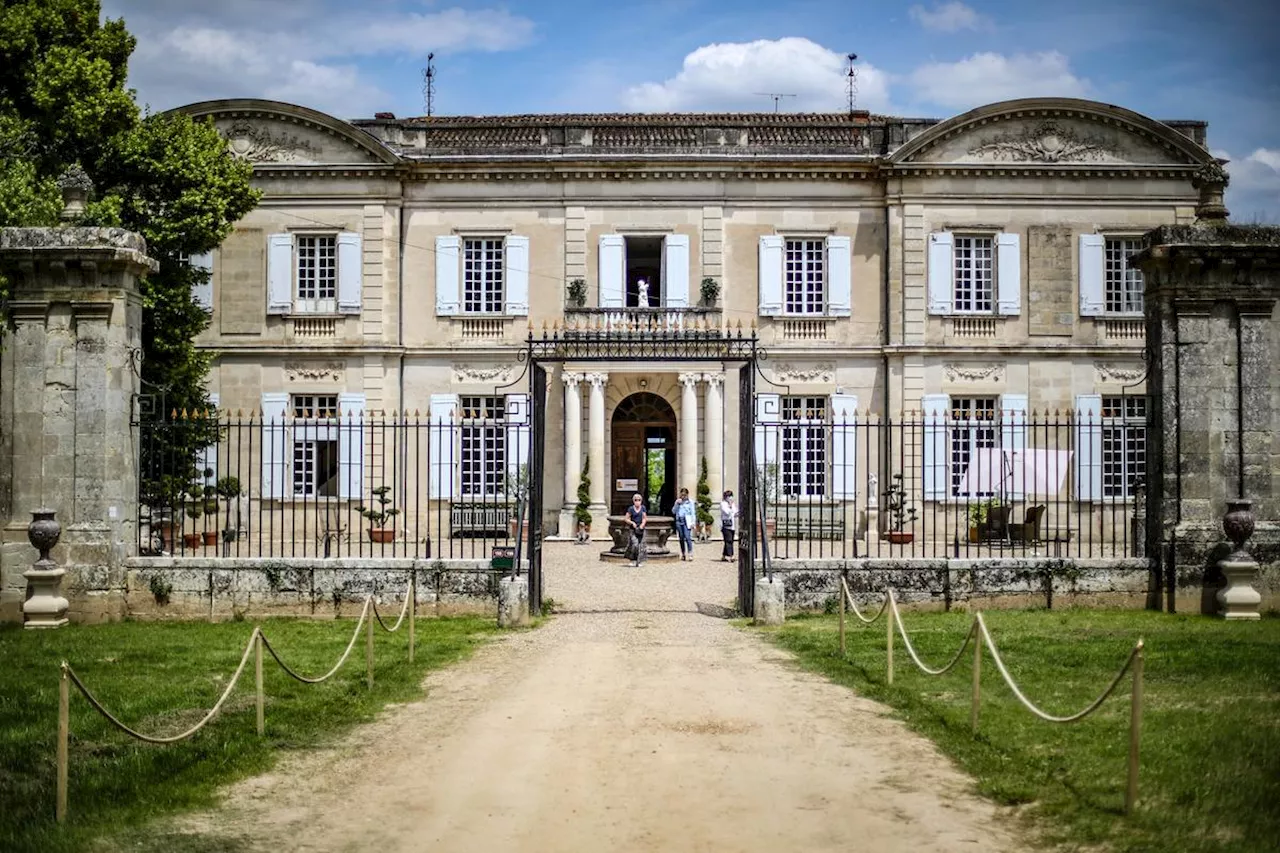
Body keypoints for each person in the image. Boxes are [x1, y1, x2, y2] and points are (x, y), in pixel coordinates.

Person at [672, 487, 696, 561]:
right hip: (679, 520)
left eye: (685, 495)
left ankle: (690, 553)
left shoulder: (690, 502)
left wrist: (693, 522)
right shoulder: (678, 502)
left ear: (687, 495)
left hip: (687, 521)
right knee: (681, 538)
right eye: (682, 495)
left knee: (687, 537)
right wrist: (677, 504)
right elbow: (673, 511)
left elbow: (693, 513)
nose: (683, 497)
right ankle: (683, 553)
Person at [625, 493, 647, 567]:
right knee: (634, 544)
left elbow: (644, 518)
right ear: (633, 501)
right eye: (636, 500)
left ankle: (639, 561)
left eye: (639, 500)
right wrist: (632, 523)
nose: (637, 501)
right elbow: (626, 519)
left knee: (641, 546)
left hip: (641, 529)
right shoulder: (631, 509)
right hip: (633, 529)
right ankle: (632, 560)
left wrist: (642, 525)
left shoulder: (643, 508)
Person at [719, 490, 737, 561]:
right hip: (725, 525)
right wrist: (730, 505)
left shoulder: (733, 504)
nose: (730, 498)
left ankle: (724, 555)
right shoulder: (722, 503)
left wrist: (733, 508)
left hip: (732, 525)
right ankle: (731, 556)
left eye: (731, 496)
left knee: (730, 540)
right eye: (728, 496)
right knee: (728, 541)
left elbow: (735, 512)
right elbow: (727, 512)